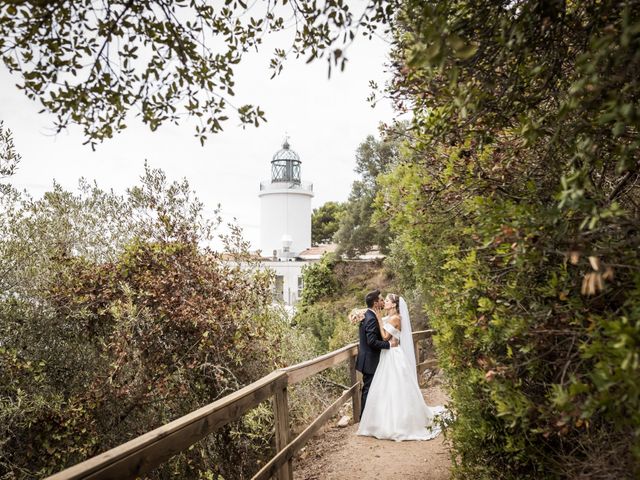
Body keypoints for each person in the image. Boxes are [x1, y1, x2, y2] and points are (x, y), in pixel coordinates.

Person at [357, 293, 446, 441]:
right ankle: (382, 419)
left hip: (393, 354)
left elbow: (385, 337)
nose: (383, 302)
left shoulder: (396, 318)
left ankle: (400, 422)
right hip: (387, 355)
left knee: (397, 386)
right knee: (385, 388)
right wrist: (360, 313)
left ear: (393, 304)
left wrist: (379, 319)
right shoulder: (389, 317)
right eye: (382, 300)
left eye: (386, 300)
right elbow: (371, 316)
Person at [355, 289, 398, 419]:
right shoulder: (371, 318)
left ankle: (371, 418)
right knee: (368, 389)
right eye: (380, 300)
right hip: (370, 360)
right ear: (375, 303)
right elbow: (372, 341)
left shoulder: (368, 314)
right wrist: (389, 345)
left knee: (371, 389)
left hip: (368, 359)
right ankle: (364, 419)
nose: (382, 301)